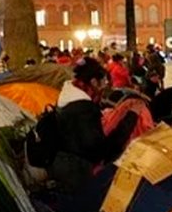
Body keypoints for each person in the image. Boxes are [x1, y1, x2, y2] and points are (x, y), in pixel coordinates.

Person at [48, 58, 138, 191]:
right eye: (103, 81)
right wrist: (129, 120)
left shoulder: (66, 99)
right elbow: (99, 150)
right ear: (94, 82)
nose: (105, 85)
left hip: (64, 168)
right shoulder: (83, 110)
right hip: (78, 175)